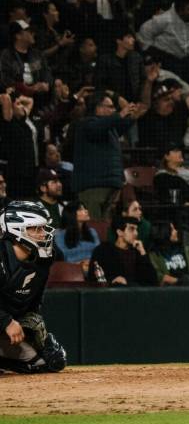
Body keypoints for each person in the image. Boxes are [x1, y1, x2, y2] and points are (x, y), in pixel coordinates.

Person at [0, 201, 67, 374]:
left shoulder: (42, 260)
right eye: (36, 229)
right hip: (3, 322)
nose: (43, 234)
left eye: (44, 228)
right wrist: (6, 321)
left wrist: (31, 326)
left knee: (46, 363)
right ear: (17, 230)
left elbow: (31, 304)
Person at [72, 91, 140, 220]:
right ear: (98, 107)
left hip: (110, 185)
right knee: (93, 227)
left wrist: (132, 116)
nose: (113, 110)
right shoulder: (85, 124)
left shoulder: (109, 128)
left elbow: (122, 124)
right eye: (110, 107)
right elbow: (97, 128)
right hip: (92, 187)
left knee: (106, 228)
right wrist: (120, 114)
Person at [89, 215, 156, 286]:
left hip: (136, 293)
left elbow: (153, 281)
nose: (136, 233)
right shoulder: (103, 251)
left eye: (136, 229)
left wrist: (143, 253)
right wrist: (111, 281)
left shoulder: (138, 252)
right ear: (120, 232)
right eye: (131, 229)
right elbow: (94, 278)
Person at [148, 222, 189, 287]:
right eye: (172, 229)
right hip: (170, 291)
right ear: (164, 233)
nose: (176, 231)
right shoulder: (154, 255)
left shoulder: (187, 250)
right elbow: (158, 276)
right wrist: (180, 282)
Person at [53, 201, 99, 265]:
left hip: (93, 266)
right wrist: (81, 263)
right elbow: (63, 256)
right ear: (71, 214)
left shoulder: (92, 231)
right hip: (73, 268)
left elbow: (98, 252)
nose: (86, 211)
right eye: (80, 209)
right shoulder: (59, 234)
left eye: (85, 208)